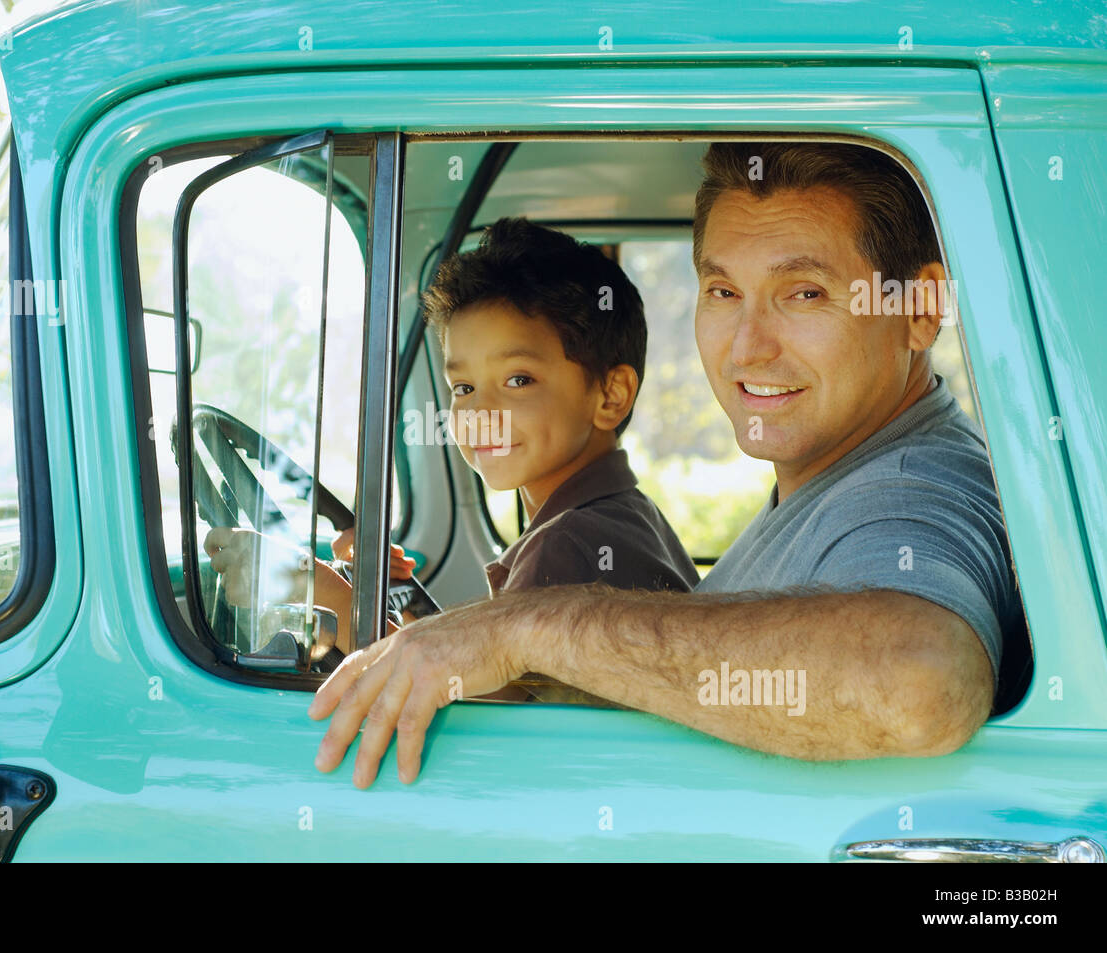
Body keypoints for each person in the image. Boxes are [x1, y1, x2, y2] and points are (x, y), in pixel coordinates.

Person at [308, 142, 1027, 789]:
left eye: (803, 293)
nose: (748, 347)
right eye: (723, 292)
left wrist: (525, 627)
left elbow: (919, 680)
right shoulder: (833, 482)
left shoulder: (911, 491)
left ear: (921, 308)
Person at [204, 217, 698, 669]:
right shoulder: (623, 518)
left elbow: (473, 712)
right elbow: (483, 673)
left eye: (518, 379)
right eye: (463, 388)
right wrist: (401, 593)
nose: (480, 413)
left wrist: (324, 592)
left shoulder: (566, 549)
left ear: (610, 395)